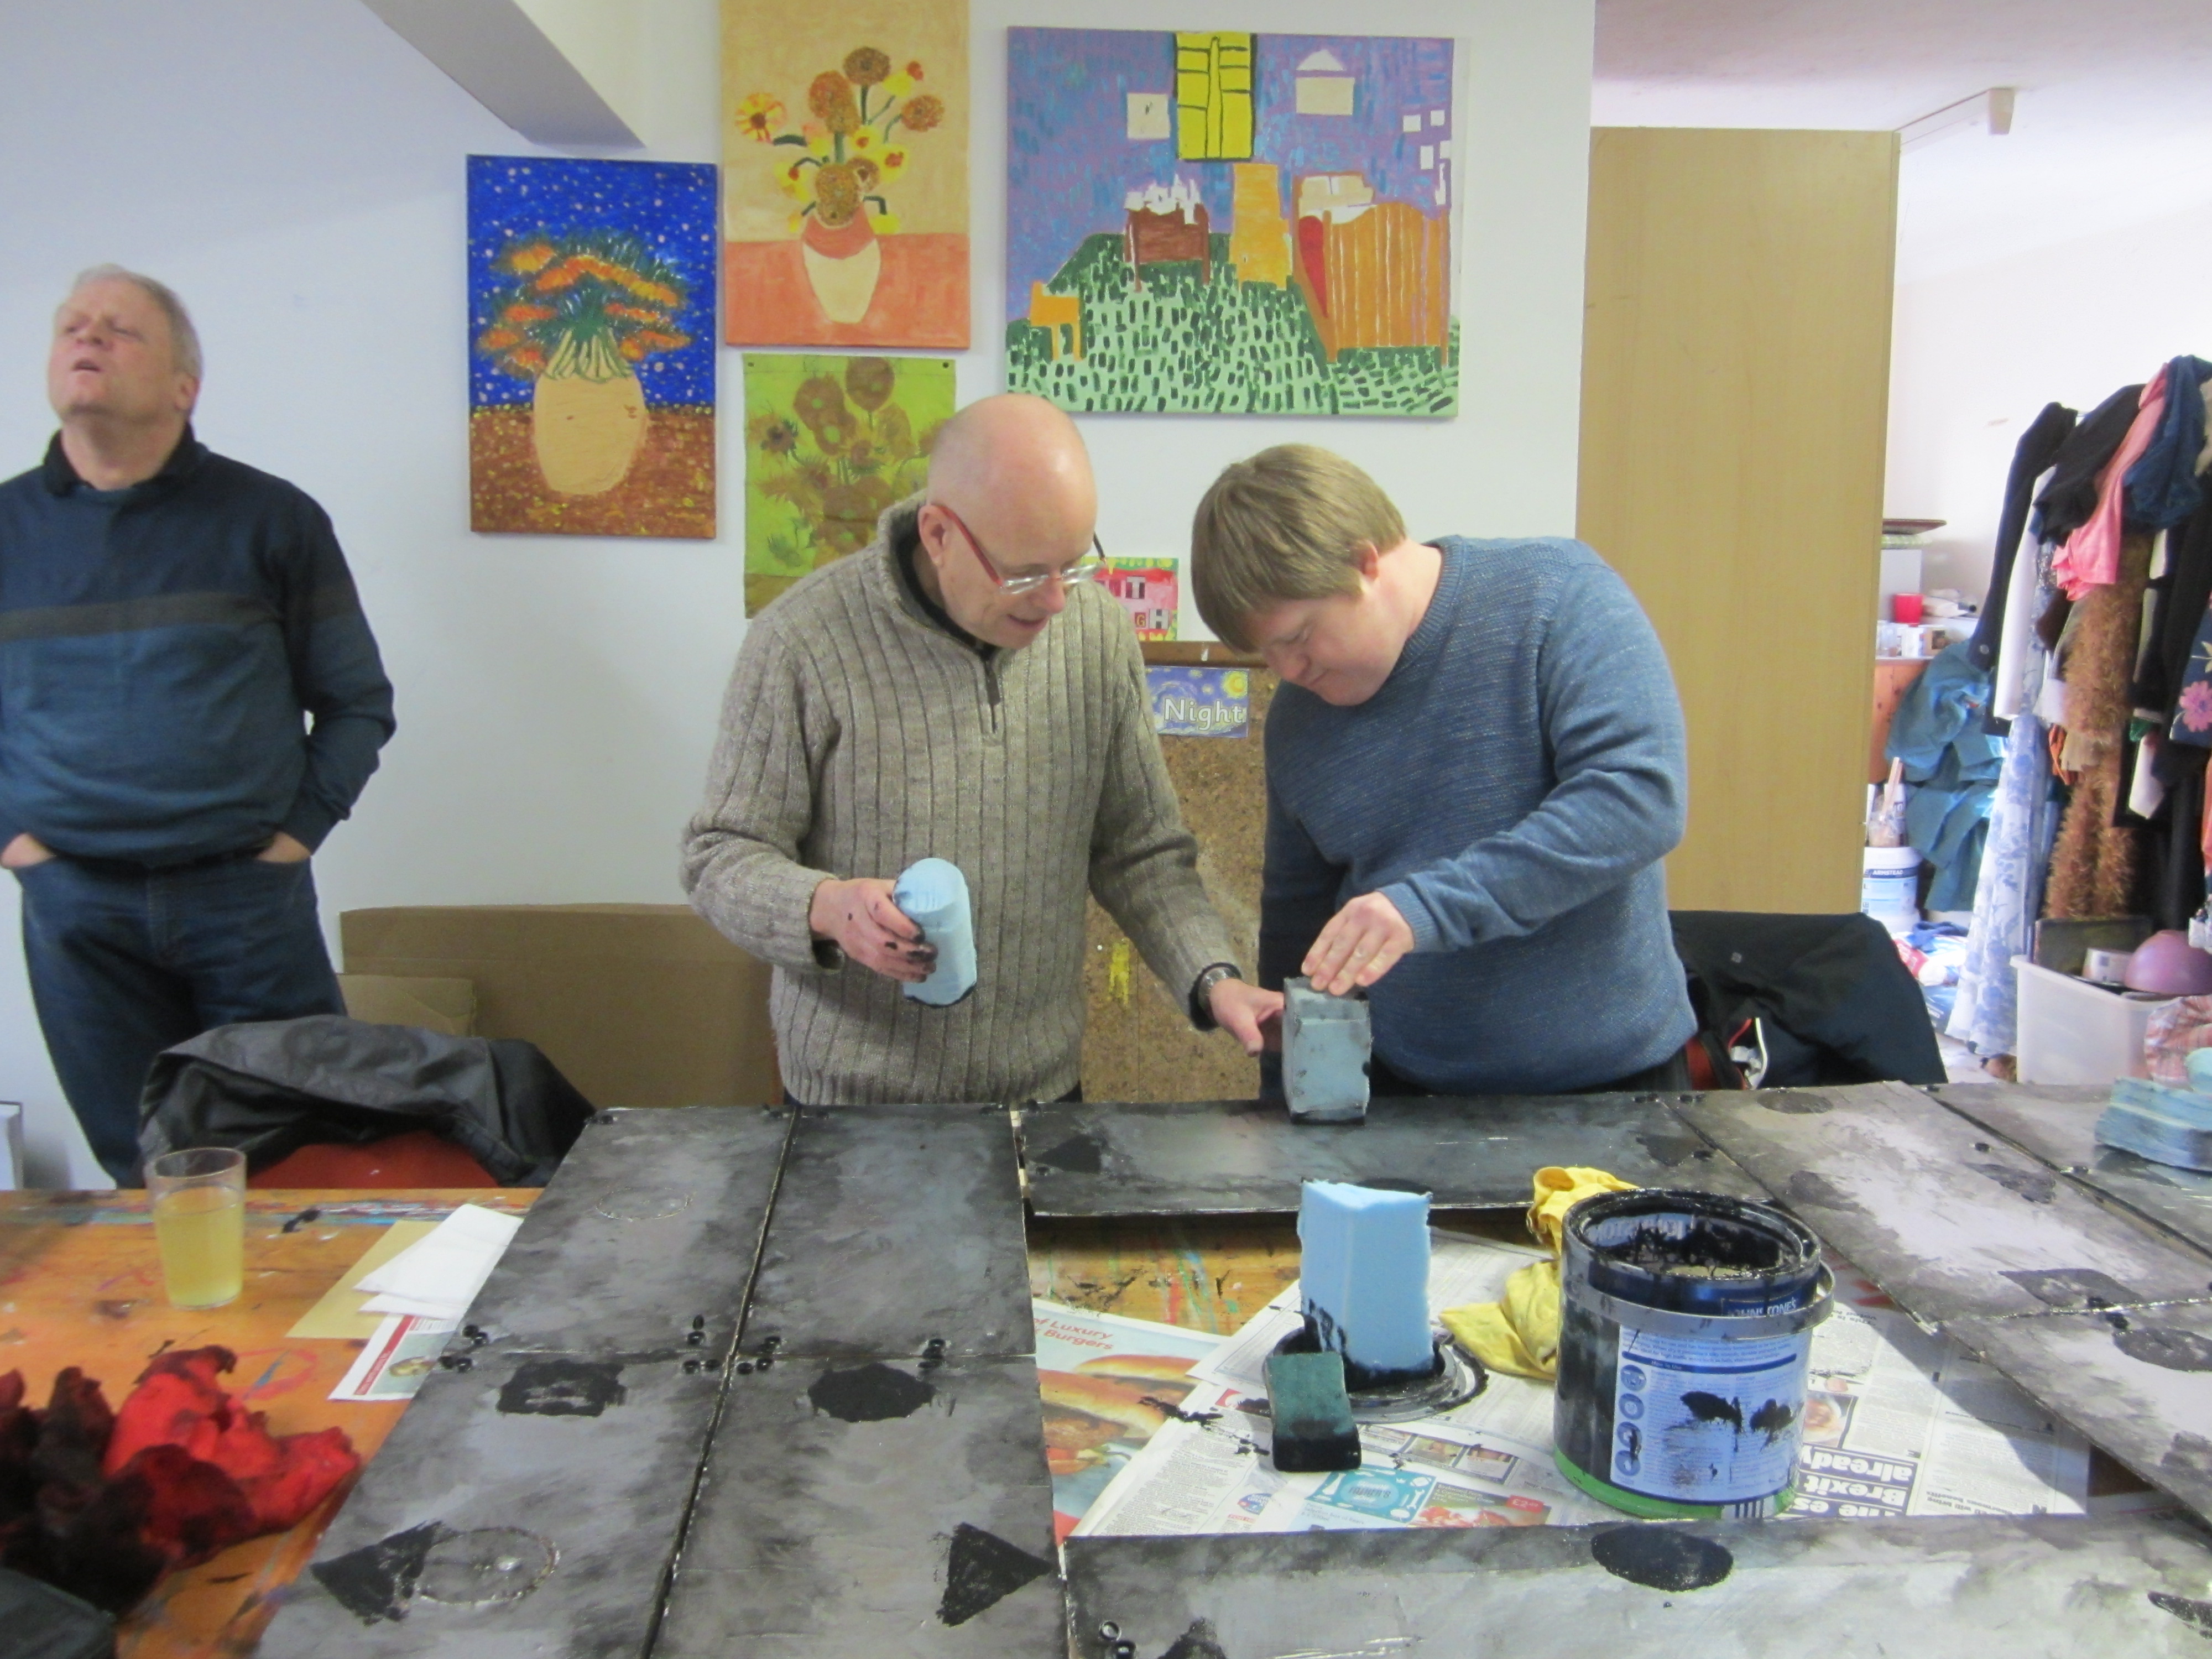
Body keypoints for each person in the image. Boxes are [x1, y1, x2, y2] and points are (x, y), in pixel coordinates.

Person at [682, 393, 1279, 1107]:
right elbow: (720, 855)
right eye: (1024, 574)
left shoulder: (1095, 635)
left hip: (1041, 1094)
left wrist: (1213, 979)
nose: (1055, 602)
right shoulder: (800, 643)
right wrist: (826, 906)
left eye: (1074, 565)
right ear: (938, 534)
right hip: (849, 1106)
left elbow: (1140, 850)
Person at [0, 268, 395, 1181]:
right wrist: (20, 847)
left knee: (307, 1155)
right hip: (77, 911)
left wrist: (295, 838)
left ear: (185, 385)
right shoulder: (7, 529)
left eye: (119, 329)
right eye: (72, 326)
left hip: (245, 902)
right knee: (144, 1172)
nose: (87, 339)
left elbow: (356, 702)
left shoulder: (271, 519)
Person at [1189, 445, 1694, 1097]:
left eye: (1297, 637)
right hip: (1408, 1093)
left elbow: (1637, 799)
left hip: (1612, 1087)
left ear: (1364, 561)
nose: (1288, 670)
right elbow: (1297, 920)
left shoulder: (1556, 595)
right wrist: (1287, 1097)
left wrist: (1425, 907)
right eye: (1266, 652)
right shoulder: (1298, 719)